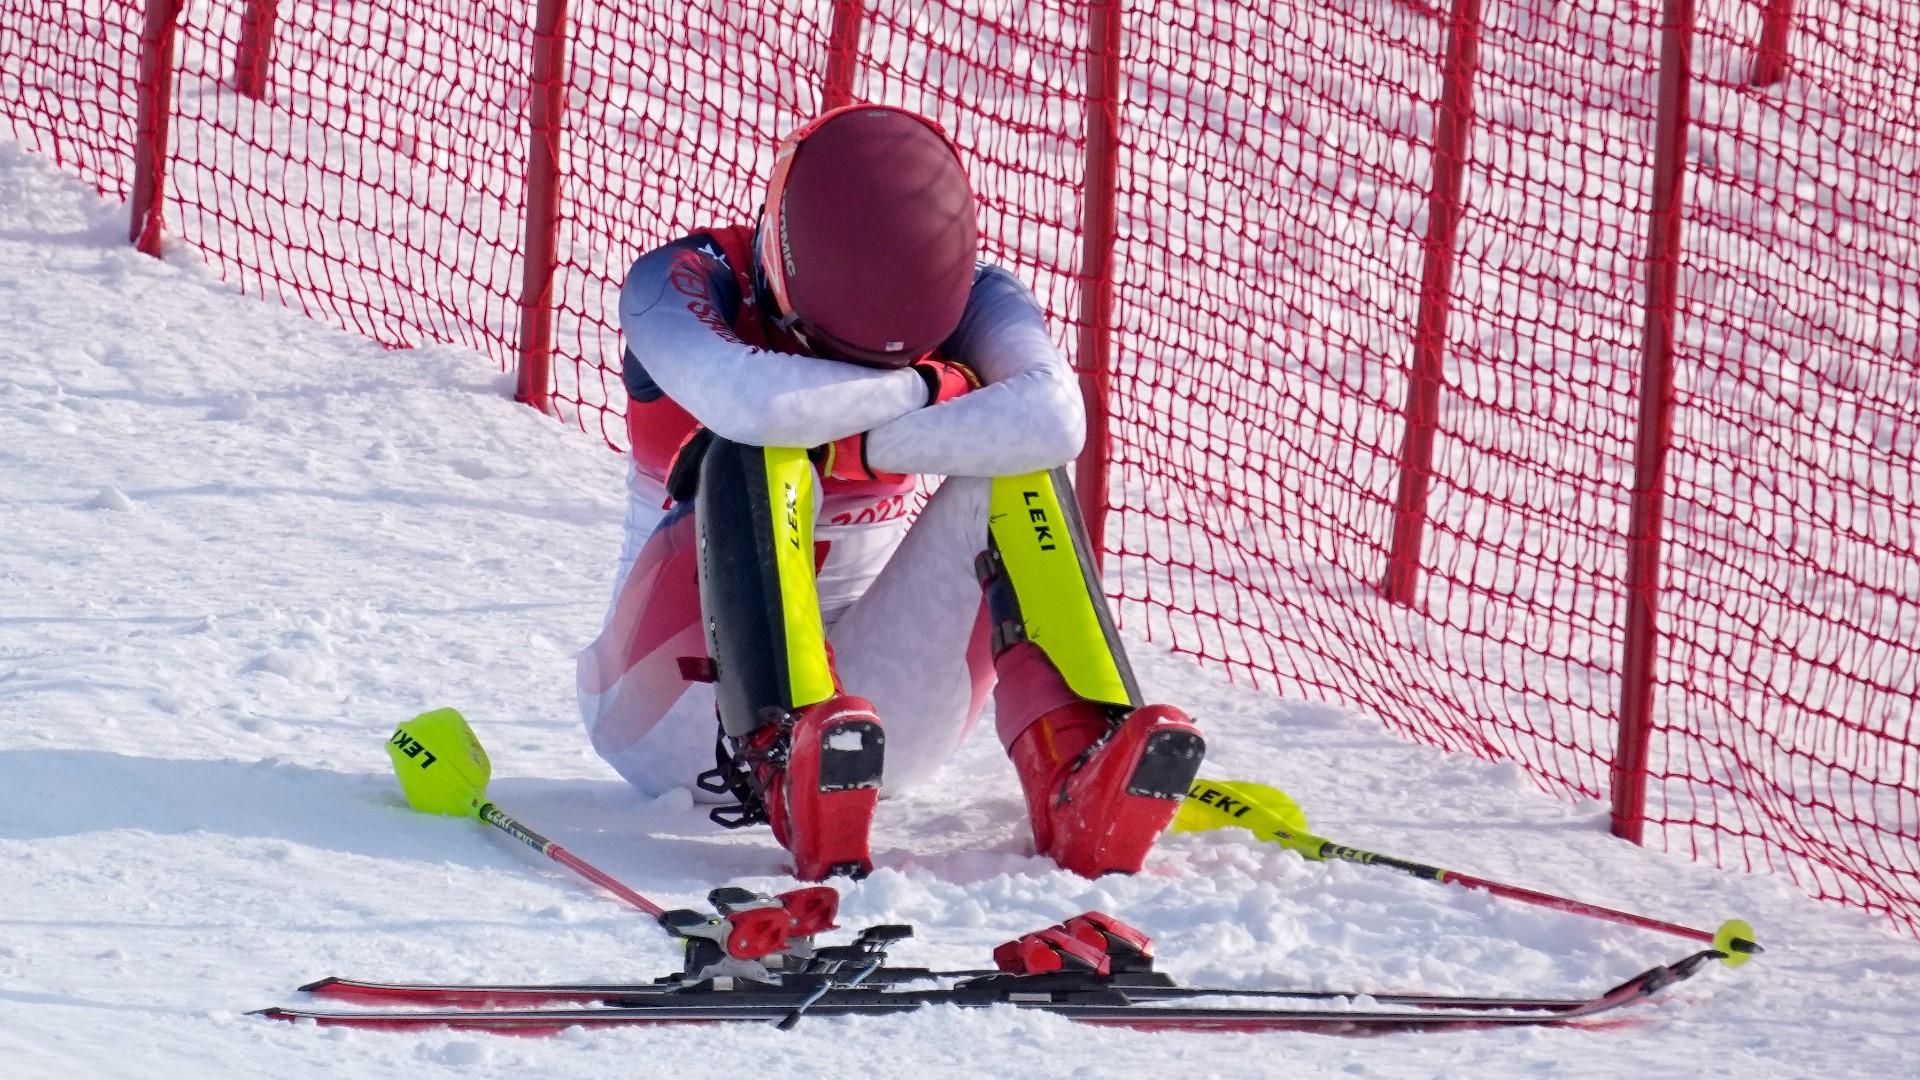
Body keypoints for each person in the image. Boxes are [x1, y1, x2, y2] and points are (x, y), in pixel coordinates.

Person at [577, 104, 1205, 881]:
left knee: (1017, 464)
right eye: (826, 349)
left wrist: (855, 429)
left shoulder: (982, 294)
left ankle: (1076, 760)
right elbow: (759, 405)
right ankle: (783, 748)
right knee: (756, 448)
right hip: (672, 714)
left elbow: (1052, 418)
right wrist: (931, 388)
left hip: (870, 738)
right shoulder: (679, 280)